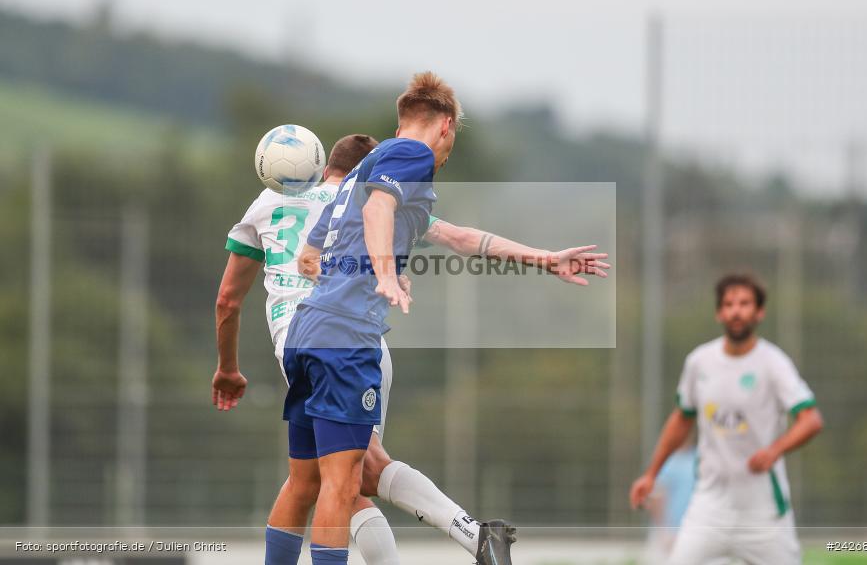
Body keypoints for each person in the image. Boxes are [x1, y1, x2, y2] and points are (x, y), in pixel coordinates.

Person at [215, 124, 610, 563]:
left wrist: (227, 367)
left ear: (326, 167)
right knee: (336, 481)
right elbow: (459, 237)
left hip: (314, 341)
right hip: (357, 341)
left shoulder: (267, 204)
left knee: (345, 478)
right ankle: (475, 537)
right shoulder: (365, 199)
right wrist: (543, 258)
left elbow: (229, 299)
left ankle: (475, 536)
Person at [629, 273, 824, 565]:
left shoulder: (774, 364)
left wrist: (774, 451)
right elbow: (682, 419)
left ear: (759, 312)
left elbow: (811, 420)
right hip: (709, 508)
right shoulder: (699, 362)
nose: (736, 311)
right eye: (729, 304)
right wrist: (651, 474)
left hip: (763, 512)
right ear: (719, 313)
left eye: (744, 304)